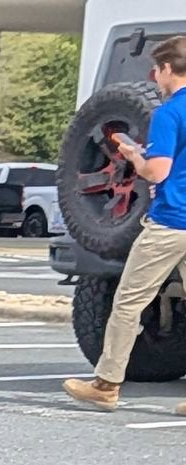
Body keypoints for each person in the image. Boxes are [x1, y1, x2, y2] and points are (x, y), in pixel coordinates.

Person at [65, 35, 186, 413]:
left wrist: (136, 158)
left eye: (157, 69)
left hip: (172, 222)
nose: (154, 77)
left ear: (168, 69)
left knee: (129, 301)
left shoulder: (169, 113)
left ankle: (106, 384)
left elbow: (158, 171)